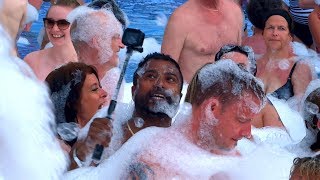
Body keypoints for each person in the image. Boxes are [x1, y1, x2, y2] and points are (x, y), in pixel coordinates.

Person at [129, 60, 265, 178]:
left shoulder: (231, 157)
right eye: (241, 119)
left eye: (250, 121)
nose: (247, 132)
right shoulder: (156, 163)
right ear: (211, 109)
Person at [68, 52, 184, 169]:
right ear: (133, 91)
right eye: (151, 76)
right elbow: (70, 175)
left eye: (170, 79)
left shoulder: (184, 148)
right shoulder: (105, 134)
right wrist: (86, 148)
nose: (159, 84)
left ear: (179, 96)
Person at [161, 0, 244, 83]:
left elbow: (242, 61)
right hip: (193, 93)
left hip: (230, 91)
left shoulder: (236, 12)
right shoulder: (180, 19)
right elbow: (164, 72)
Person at [45, 62, 108, 153]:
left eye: (100, 87)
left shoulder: (98, 136)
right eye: (94, 89)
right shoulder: (57, 152)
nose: (105, 93)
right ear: (72, 103)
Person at [69, 6, 125, 104]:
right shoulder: (66, 81)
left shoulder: (114, 79)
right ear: (97, 42)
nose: (122, 45)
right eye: (115, 37)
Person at [256, 9, 313, 101]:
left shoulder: (300, 67)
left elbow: (304, 111)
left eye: (281, 28)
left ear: (290, 37)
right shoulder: (253, 63)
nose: (275, 33)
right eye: (270, 28)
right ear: (263, 34)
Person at [24, 0, 80, 81]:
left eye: (62, 23)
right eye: (50, 22)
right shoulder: (31, 60)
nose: (54, 29)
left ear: (76, 26)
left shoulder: (83, 66)